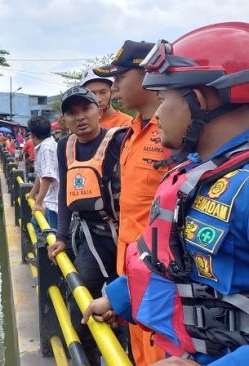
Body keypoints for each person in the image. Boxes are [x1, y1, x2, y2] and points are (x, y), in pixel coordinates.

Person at [82, 22, 249, 365]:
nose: (158, 112)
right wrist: (121, 297)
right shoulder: (195, 174)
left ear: (200, 100)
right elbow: (177, 263)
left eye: (165, 98)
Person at [94, 40, 169, 365]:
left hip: (161, 271)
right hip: (129, 264)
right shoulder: (130, 132)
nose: (114, 87)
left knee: (159, 350)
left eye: (121, 76)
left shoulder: (174, 135)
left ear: (148, 74)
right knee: (135, 352)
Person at [50, 86, 127, 365]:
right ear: (64, 120)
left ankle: (124, 353)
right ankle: (88, 358)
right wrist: (60, 236)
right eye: (72, 113)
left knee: (127, 306)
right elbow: (64, 193)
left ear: (99, 110)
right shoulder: (64, 146)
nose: (80, 117)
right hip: (91, 237)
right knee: (80, 298)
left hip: (124, 237)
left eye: (86, 109)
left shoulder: (119, 140)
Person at [27, 116, 59, 228]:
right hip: (49, 201)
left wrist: (38, 202)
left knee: (51, 236)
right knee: (36, 225)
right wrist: (32, 194)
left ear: (33, 135)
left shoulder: (47, 148)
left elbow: (47, 177)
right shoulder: (44, 146)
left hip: (54, 204)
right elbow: (40, 175)